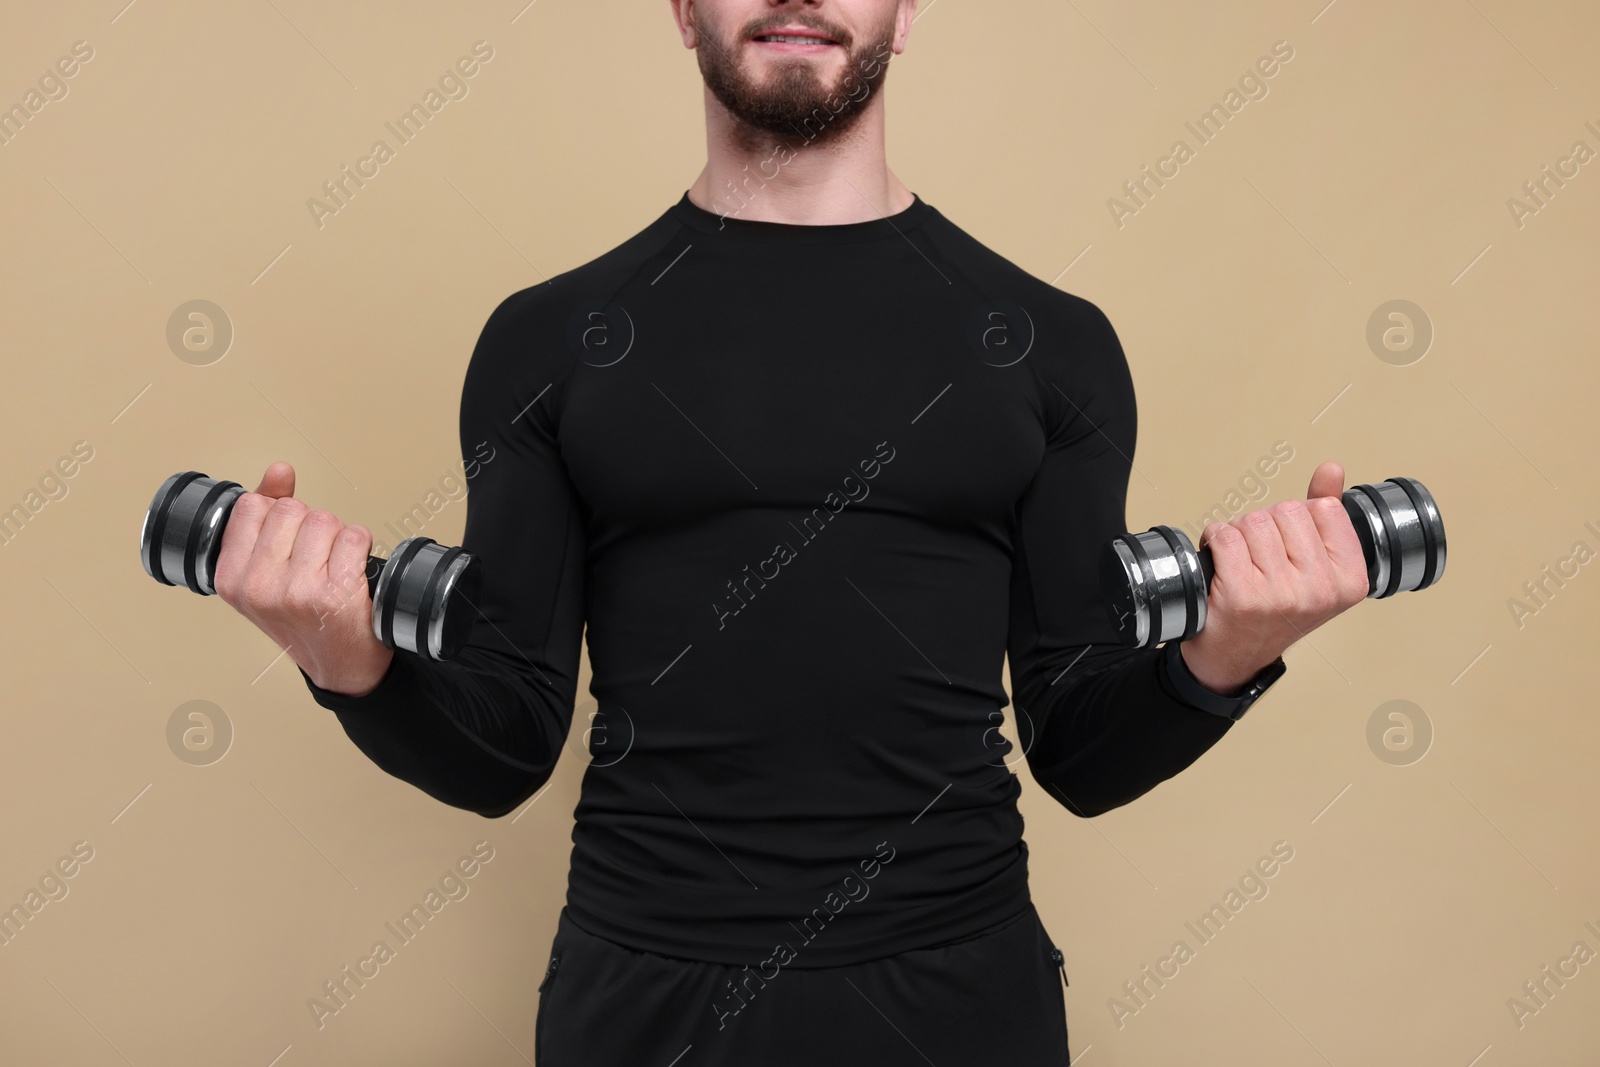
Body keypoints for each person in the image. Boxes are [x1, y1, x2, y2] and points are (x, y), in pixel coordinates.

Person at [212, 2, 1371, 1062]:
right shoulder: (548, 340)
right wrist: (345, 658)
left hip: (959, 1000)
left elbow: (1079, 749)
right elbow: (503, 746)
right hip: (644, 1000)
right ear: (680, 11)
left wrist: (1229, 649)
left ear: (905, 14)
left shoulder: (1048, 346)